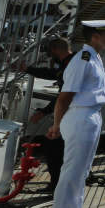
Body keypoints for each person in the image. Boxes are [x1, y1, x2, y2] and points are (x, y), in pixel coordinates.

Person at [45, 21, 105, 208]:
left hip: (91, 117)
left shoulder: (94, 56)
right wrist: (56, 125)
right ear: (95, 35)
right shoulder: (82, 59)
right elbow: (64, 97)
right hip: (81, 117)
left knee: (81, 173)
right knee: (71, 175)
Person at [25, 37, 74, 188]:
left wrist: (43, 111)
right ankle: (58, 184)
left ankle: (57, 186)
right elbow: (52, 74)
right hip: (70, 113)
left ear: (55, 50)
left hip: (71, 114)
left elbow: (64, 96)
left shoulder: (70, 65)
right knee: (58, 149)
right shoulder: (69, 63)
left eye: (50, 52)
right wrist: (27, 69)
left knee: (54, 149)